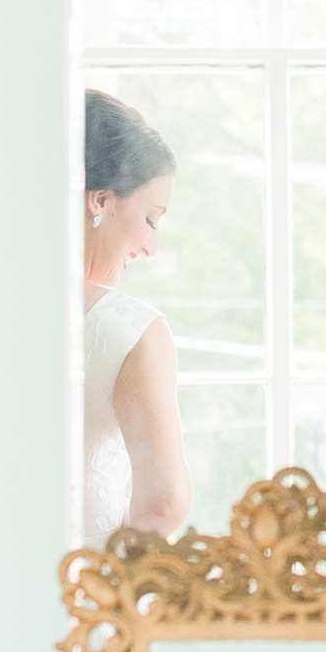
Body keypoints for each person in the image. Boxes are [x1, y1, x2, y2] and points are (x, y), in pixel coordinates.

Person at [82, 88, 191, 548]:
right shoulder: (131, 331)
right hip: (80, 595)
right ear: (101, 200)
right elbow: (163, 503)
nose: (151, 247)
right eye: (150, 218)